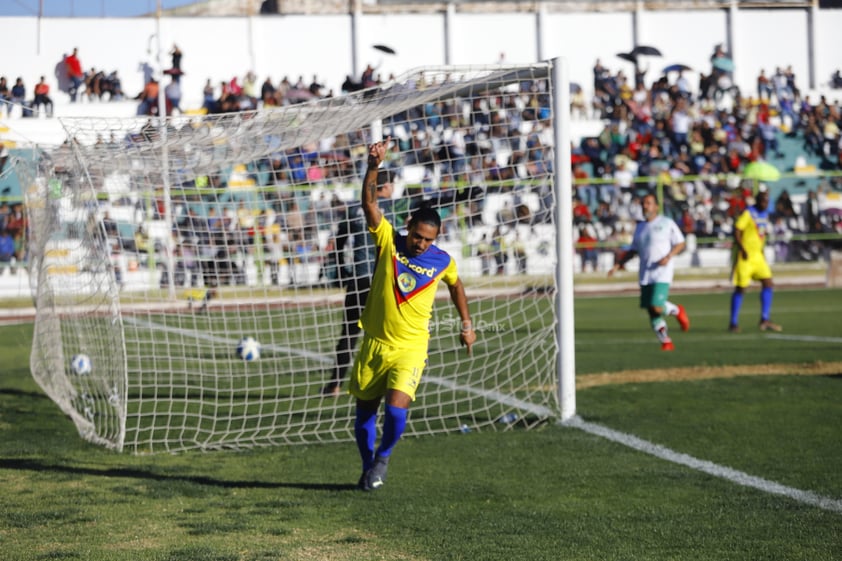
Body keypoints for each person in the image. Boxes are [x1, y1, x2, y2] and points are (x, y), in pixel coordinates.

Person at [350, 138, 475, 492]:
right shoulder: (388, 239)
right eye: (417, 236)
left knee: (394, 410)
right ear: (408, 226)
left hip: (411, 348)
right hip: (374, 343)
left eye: (427, 240)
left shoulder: (442, 260)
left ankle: (384, 457)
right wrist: (373, 165)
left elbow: (456, 285)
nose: (421, 244)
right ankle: (367, 464)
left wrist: (467, 324)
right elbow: (370, 202)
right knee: (363, 415)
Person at [321, 167, 397, 397]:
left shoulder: (355, 209)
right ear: (385, 187)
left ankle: (334, 385)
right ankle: (385, 382)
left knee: (349, 334)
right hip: (385, 282)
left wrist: (342, 273)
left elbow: (338, 243)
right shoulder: (397, 206)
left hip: (358, 279)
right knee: (385, 335)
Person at [608, 193, 690, 351]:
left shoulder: (666, 223)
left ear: (656, 206)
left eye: (649, 203)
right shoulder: (640, 227)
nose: (645, 206)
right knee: (651, 310)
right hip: (645, 273)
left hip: (662, 271)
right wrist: (618, 265)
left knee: (656, 306)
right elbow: (633, 250)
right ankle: (666, 341)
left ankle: (678, 310)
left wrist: (669, 256)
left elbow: (680, 243)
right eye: (644, 203)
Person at [728, 190, 782, 333]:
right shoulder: (748, 213)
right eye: (764, 201)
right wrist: (742, 248)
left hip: (758, 256)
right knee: (741, 289)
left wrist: (762, 250)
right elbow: (737, 230)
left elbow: (760, 234)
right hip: (745, 256)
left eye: (767, 201)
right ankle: (733, 322)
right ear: (757, 201)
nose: (766, 204)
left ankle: (764, 319)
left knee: (768, 283)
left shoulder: (765, 214)